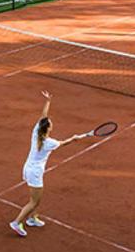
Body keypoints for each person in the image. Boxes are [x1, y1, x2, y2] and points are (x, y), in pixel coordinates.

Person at [9, 90, 87, 237]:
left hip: (28, 168)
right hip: (35, 173)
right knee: (34, 201)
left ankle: (32, 219)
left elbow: (43, 117)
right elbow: (65, 143)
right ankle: (16, 222)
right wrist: (74, 138)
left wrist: (48, 101)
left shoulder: (36, 132)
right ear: (49, 128)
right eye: (51, 124)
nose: (51, 123)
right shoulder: (49, 142)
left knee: (36, 199)